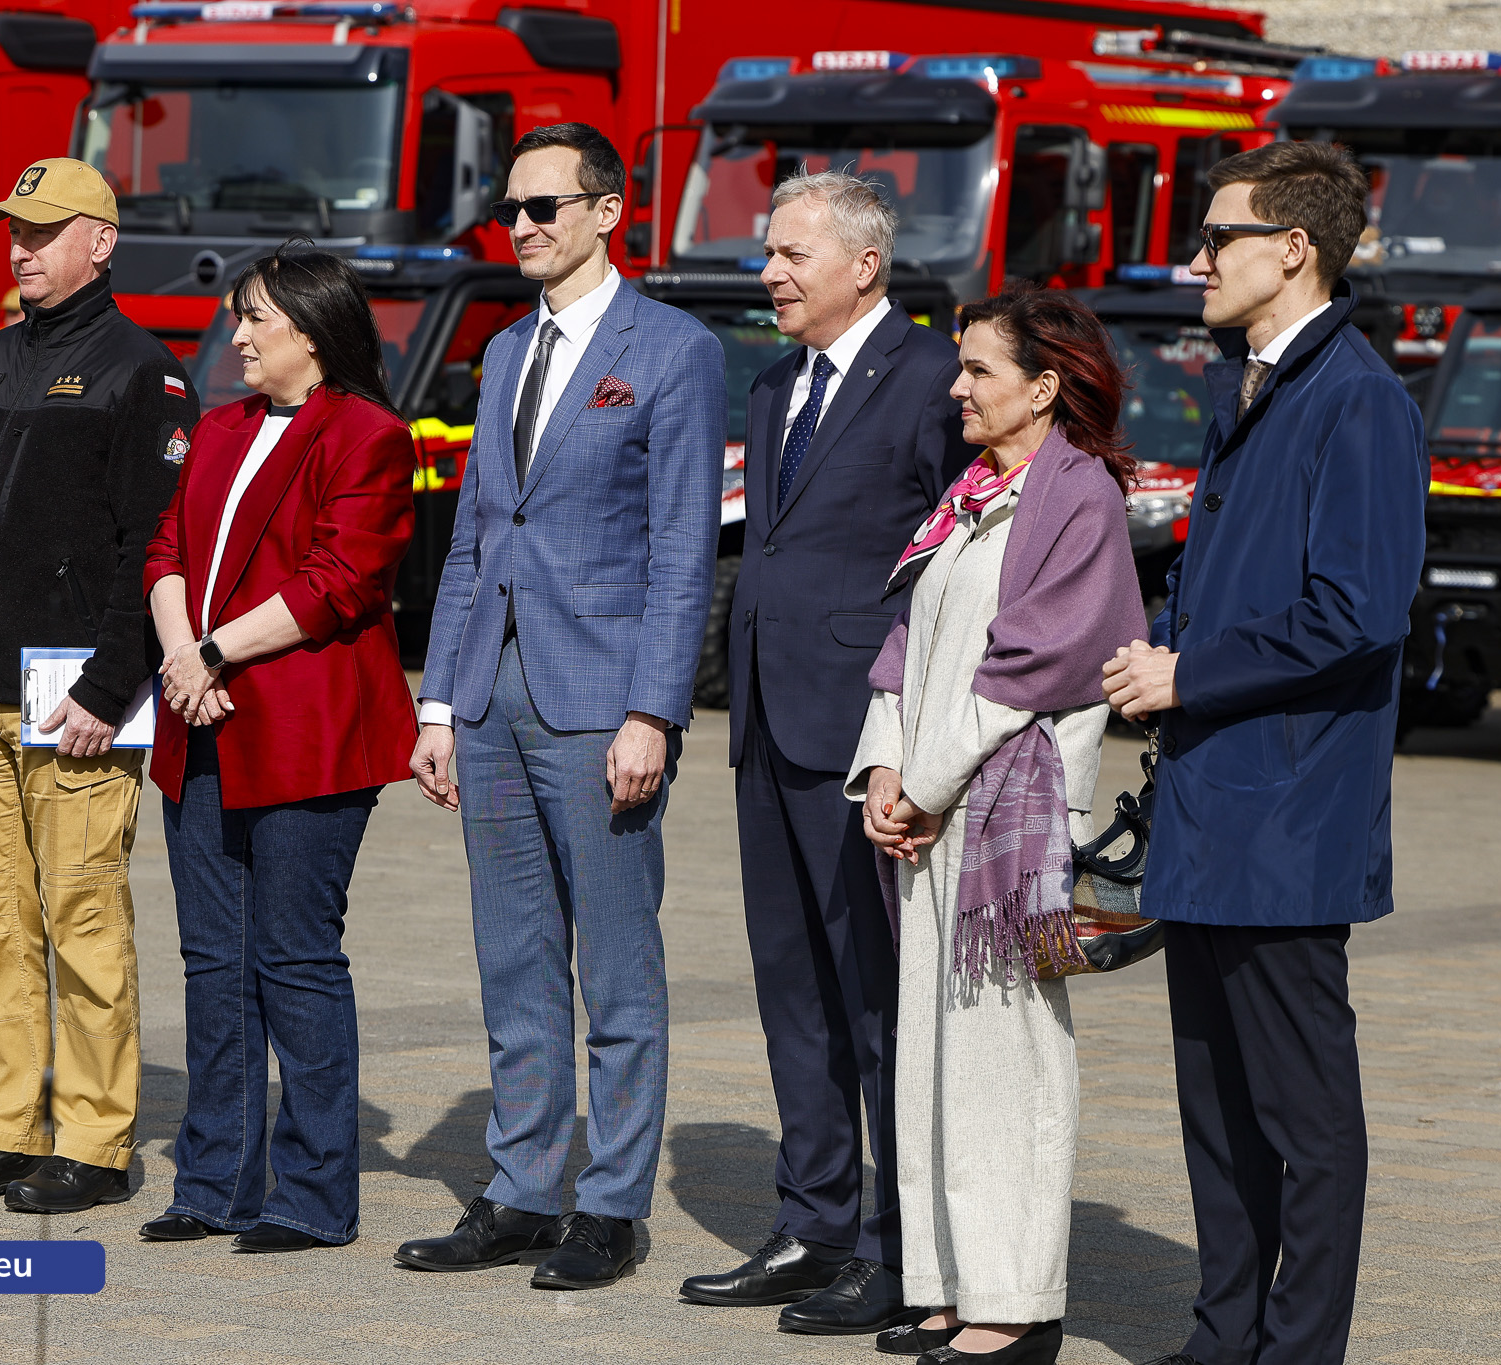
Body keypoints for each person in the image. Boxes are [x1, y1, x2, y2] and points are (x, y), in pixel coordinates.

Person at [1102, 142, 1425, 1365]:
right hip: (1211, 802)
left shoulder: (1356, 399)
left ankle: (1296, 1351)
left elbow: (1358, 607)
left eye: (1213, 237)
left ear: (1290, 248)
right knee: (1214, 1111)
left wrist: (1189, 672)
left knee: (1303, 1119)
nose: (1193, 259)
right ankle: (1217, 1335)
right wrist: (1157, 649)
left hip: (1287, 818)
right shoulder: (1258, 383)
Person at [398, 122, 725, 1290]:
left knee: (619, 969)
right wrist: (438, 702)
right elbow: (481, 537)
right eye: (512, 211)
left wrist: (656, 712)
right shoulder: (497, 355)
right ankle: (521, 1188)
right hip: (491, 697)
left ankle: (609, 1204)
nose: (523, 227)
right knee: (514, 959)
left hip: (602, 704)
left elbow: (685, 548)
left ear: (607, 212)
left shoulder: (674, 351)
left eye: (545, 207)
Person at [0, 157, 199, 1214]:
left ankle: (98, 1145)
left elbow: (149, 550)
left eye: (43, 230)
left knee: (82, 920)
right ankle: (7, 1128)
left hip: (75, 706)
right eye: (12, 231)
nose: (21, 248)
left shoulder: (140, 374)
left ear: (99, 242)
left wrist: (109, 692)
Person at [678, 169, 965, 1335]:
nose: (769, 274)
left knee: (872, 1003)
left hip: (864, 736)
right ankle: (811, 1222)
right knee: (789, 989)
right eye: (768, 253)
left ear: (863, 264)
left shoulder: (935, 380)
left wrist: (921, 738)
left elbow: (949, 561)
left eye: (792, 254)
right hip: (764, 722)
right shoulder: (774, 382)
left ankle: (896, 1252)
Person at [848, 286, 1147, 1365]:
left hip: (1004, 827)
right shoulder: (971, 491)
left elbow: (1027, 671)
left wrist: (921, 785)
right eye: (959, 367)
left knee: (1005, 1061)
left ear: (1044, 385)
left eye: (977, 370)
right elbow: (906, 645)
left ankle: (1015, 1303)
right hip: (932, 812)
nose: (956, 387)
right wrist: (885, 769)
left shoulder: (1078, 502)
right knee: (932, 1053)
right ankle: (944, 1283)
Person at [134, 248, 417, 1253]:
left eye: (255, 318)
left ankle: (309, 1193)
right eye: (236, 317)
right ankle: (211, 1183)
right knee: (213, 962)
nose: (238, 336)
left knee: (293, 960)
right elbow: (164, 552)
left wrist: (211, 651)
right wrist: (180, 658)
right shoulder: (216, 429)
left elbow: (338, 580)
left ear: (312, 326)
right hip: (195, 717)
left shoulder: (371, 436)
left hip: (307, 734)